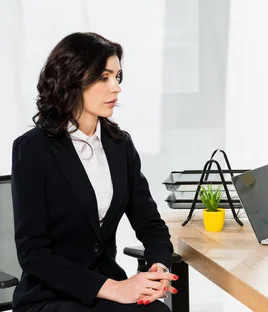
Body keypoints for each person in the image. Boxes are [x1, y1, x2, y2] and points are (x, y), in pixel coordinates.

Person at [11, 33, 178, 311]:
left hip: (106, 288)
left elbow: (150, 225)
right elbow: (33, 254)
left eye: (118, 77)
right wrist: (115, 288)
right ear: (72, 80)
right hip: (51, 295)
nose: (116, 88)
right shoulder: (33, 150)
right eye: (104, 77)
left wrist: (158, 268)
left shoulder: (120, 146)